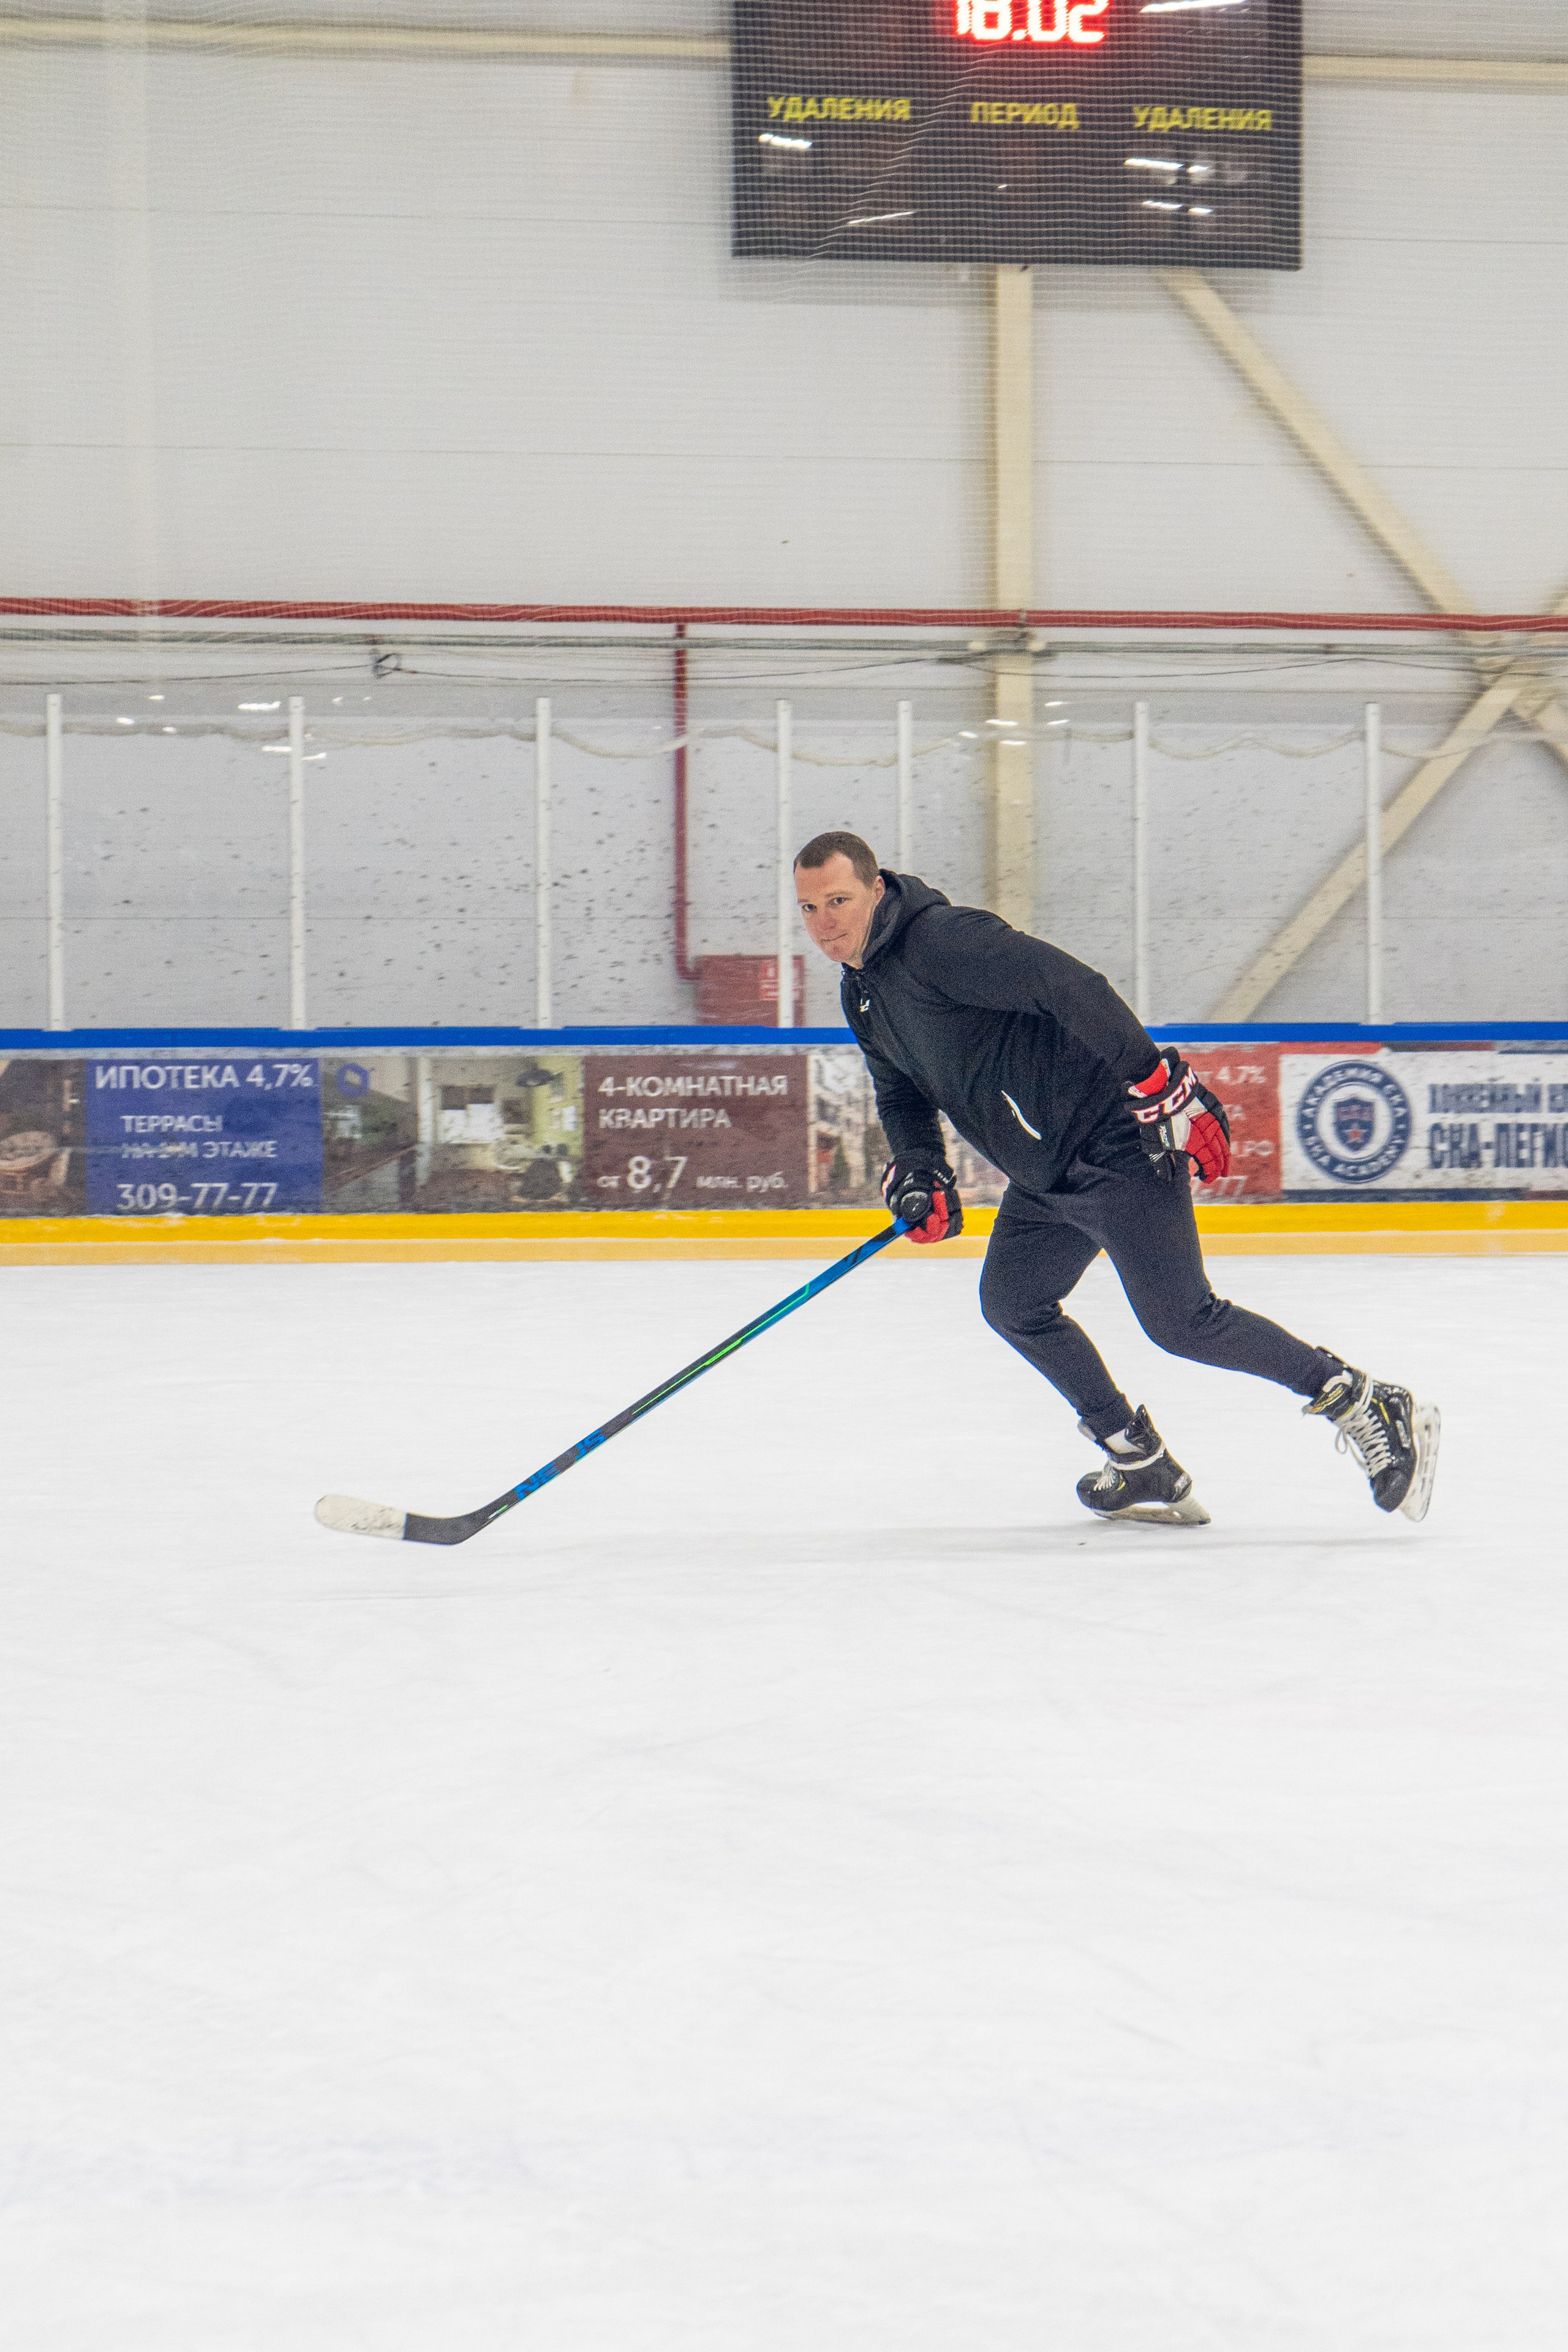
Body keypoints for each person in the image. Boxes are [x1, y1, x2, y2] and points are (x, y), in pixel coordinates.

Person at [793, 831, 1439, 1527]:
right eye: (808, 908)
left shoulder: (942, 942)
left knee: (1182, 1321)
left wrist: (1152, 1078)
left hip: (1113, 1146)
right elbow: (900, 1092)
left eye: (838, 900)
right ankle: (1137, 1458)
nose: (825, 923)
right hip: (1045, 1174)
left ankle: (1361, 1398)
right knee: (1014, 1303)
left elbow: (1068, 985)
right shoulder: (862, 994)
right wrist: (921, 1168)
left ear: (876, 890)